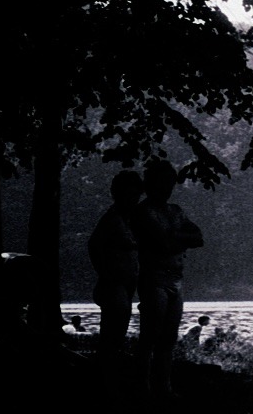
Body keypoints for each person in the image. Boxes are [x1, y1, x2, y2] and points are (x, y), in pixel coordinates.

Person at [131, 159, 205, 401]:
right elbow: (164, 244)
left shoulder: (175, 210)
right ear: (151, 184)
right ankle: (142, 387)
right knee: (150, 335)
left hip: (175, 279)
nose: (167, 188)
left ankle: (163, 387)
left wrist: (173, 236)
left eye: (170, 183)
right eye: (162, 183)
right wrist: (177, 237)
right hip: (154, 278)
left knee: (169, 337)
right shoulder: (144, 211)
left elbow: (198, 237)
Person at [88, 170, 145, 358]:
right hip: (114, 283)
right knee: (112, 332)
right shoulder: (112, 219)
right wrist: (107, 273)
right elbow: (94, 246)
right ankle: (105, 371)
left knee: (118, 332)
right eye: (128, 195)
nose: (133, 199)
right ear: (117, 194)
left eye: (136, 195)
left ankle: (110, 367)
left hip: (127, 282)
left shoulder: (132, 219)